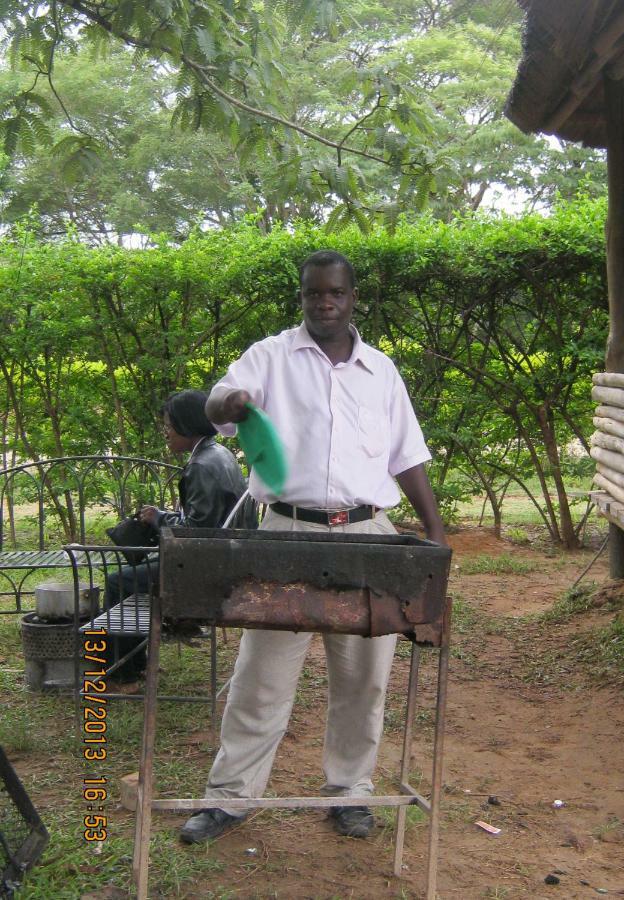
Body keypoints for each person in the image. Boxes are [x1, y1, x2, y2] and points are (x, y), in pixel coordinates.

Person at [179, 250, 447, 844]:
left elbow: (408, 456)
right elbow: (219, 402)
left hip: (368, 537)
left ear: (353, 299)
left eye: (335, 293)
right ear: (302, 298)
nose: (323, 302)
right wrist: (231, 405)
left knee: (364, 675)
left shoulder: (382, 372)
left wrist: (435, 532)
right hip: (284, 534)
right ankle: (230, 798)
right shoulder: (271, 357)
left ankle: (350, 791)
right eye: (312, 294)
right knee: (262, 672)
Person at [104, 389, 251, 680]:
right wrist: (161, 516)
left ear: (188, 425)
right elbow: (207, 520)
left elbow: (198, 533)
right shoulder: (219, 453)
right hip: (227, 557)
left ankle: (123, 671)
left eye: (169, 427)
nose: (166, 433)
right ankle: (135, 663)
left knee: (118, 582)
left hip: (206, 569)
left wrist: (159, 519)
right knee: (135, 571)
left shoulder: (201, 466)